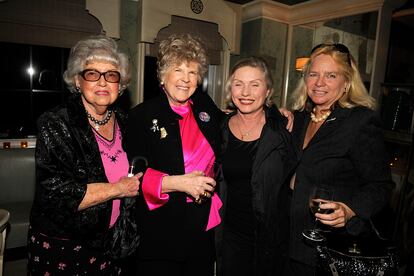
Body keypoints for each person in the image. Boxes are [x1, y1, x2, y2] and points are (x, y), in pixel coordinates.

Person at [27, 35, 142, 275]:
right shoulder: (56, 123)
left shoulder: (125, 121)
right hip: (65, 245)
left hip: (113, 241)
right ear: (77, 81)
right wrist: (119, 189)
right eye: (92, 73)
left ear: (120, 85)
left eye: (111, 75)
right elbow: (56, 194)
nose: (103, 82)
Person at [286, 43, 394, 275]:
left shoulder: (360, 122)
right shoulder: (299, 118)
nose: (319, 82)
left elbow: (381, 185)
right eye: (313, 74)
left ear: (346, 82)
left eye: (331, 75)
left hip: (329, 247)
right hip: (288, 239)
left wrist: (350, 209)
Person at [124, 33, 224, 276]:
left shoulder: (205, 107)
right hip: (161, 227)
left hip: (202, 223)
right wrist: (180, 183)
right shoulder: (141, 115)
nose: (185, 79)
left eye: (192, 72)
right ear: (163, 75)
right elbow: (133, 174)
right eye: (178, 70)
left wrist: (276, 114)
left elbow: (234, 125)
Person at [216, 56, 297, 276]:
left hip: (270, 237)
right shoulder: (218, 128)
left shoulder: (284, 130)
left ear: (268, 90)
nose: (245, 92)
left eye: (255, 84)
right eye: (239, 84)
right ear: (230, 89)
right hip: (230, 234)